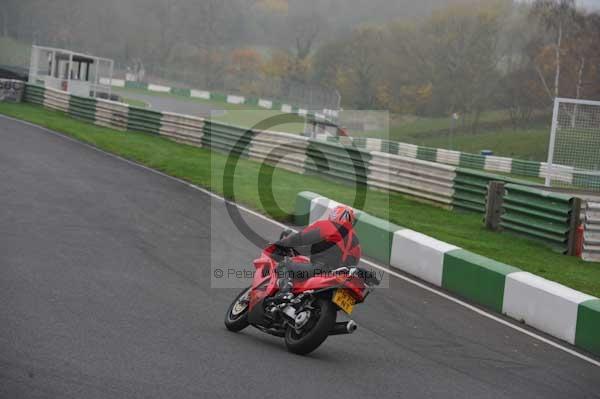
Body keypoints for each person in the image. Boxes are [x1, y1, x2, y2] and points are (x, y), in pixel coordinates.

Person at [272, 205, 361, 302]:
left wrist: (279, 245)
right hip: (340, 276)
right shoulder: (356, 241)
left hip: (321, 269)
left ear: (335, 214)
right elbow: (354, 261)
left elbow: (300, 238)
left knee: (283, 265)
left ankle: (285, 293)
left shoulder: (328, 226)